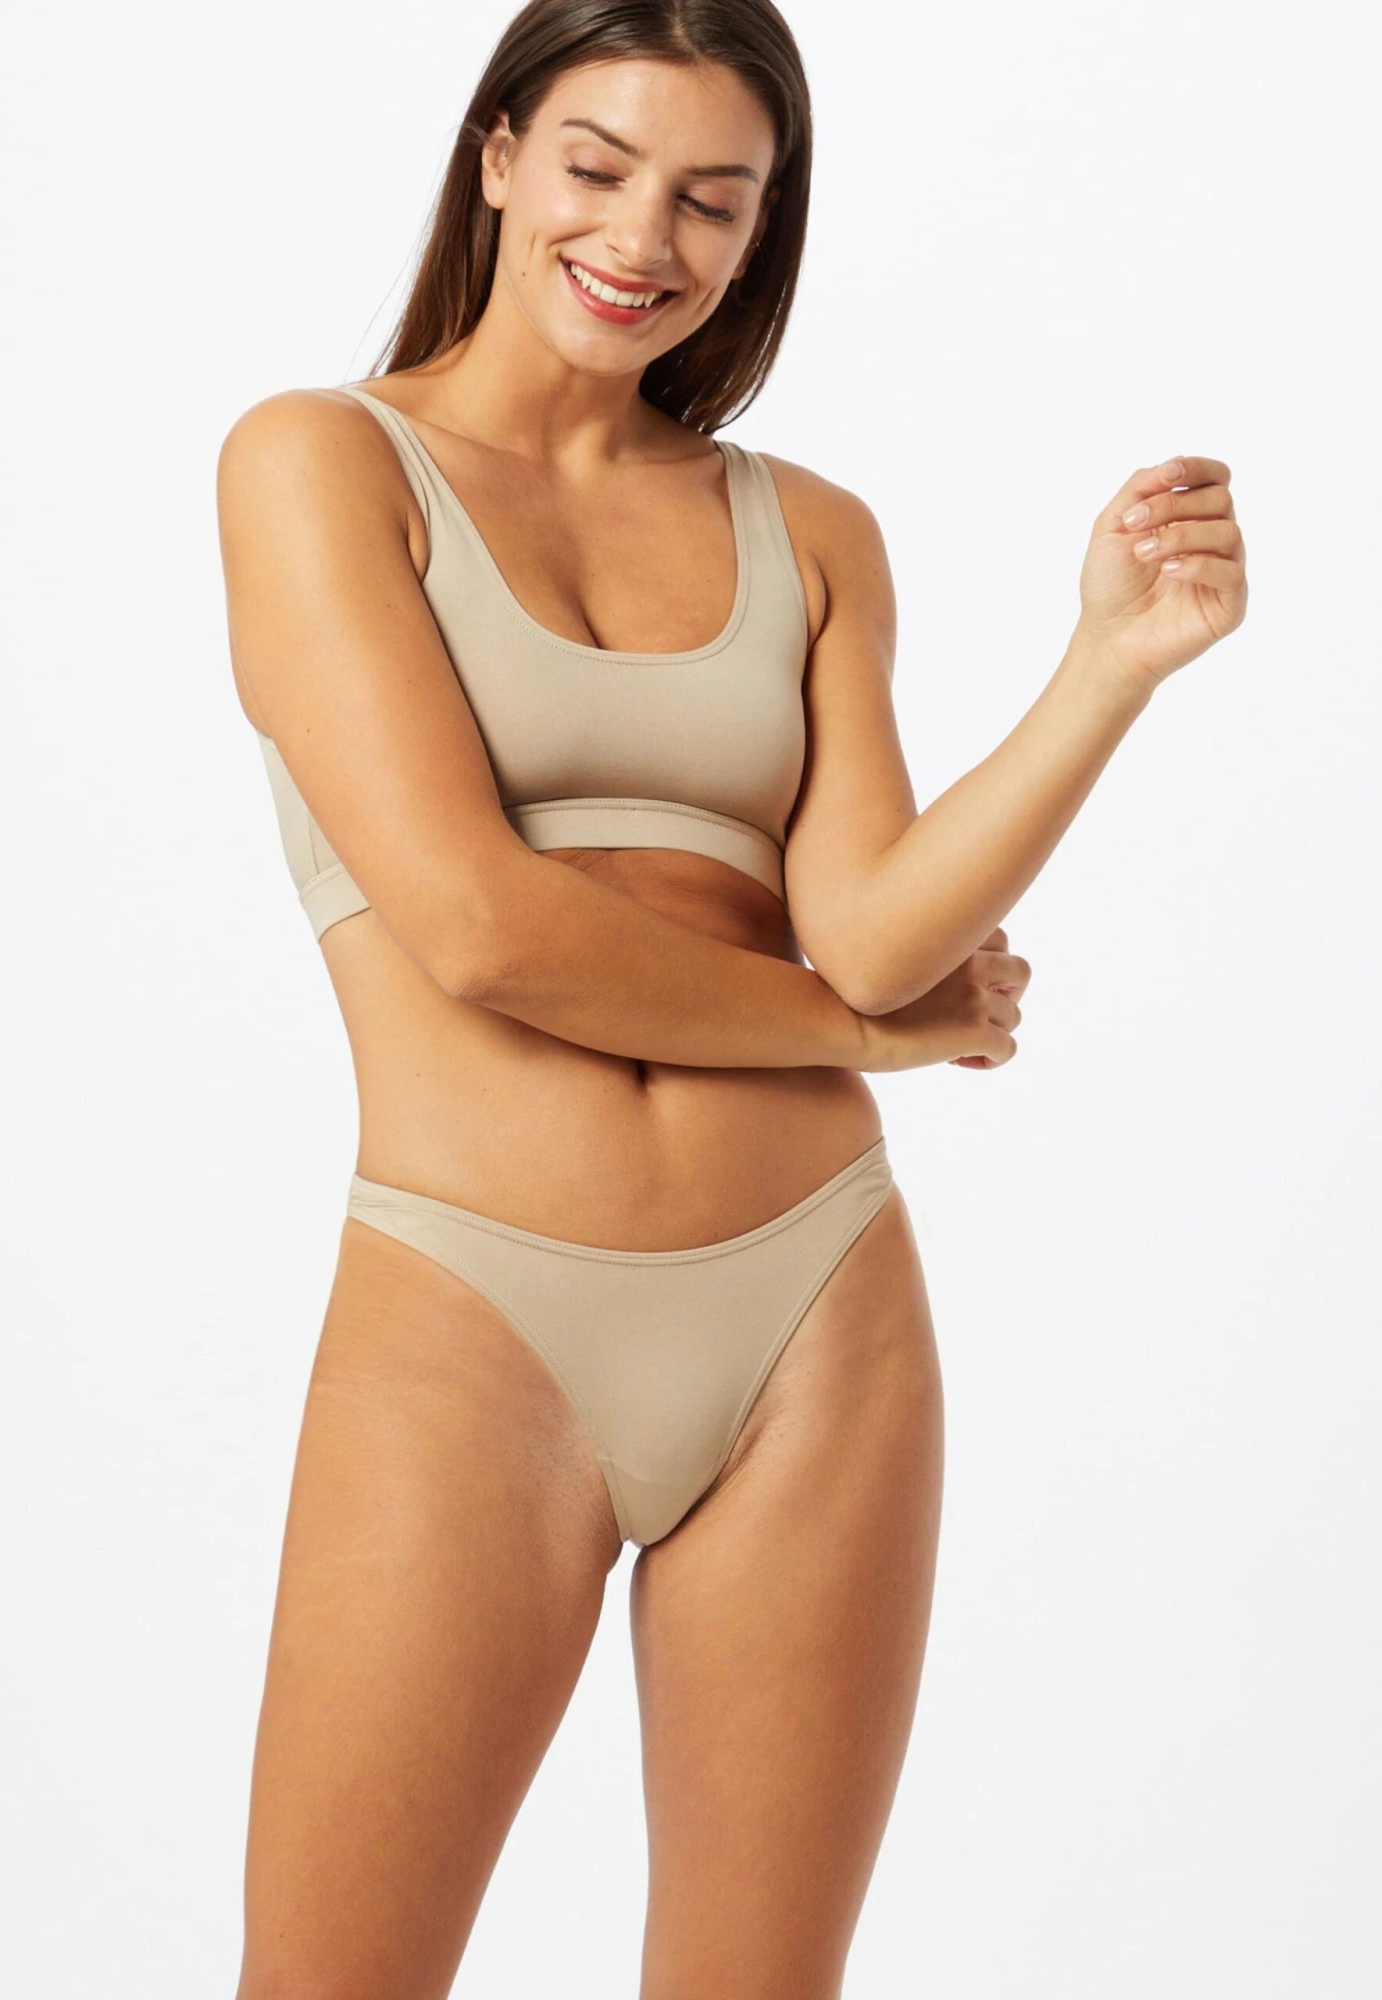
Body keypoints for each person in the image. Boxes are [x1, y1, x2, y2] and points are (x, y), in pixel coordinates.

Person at [214, 3, 1247, 1993]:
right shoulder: (321, 463)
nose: (643, 237)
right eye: (597, 167)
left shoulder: (811, 531)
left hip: (814, 1307)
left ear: (764, 226)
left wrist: (1112, 662)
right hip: (470, 1308)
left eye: (712, 197)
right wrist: (862, 1034)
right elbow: (482, 927)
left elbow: (871, 928)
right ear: (498, 156)